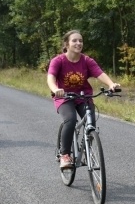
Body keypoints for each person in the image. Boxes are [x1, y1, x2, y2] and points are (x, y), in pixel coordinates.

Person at [47, 30, 120, 169]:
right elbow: (51, 78)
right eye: (74, 40)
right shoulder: (58, 61)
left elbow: (99, 73)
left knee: (90, 122)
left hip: (83, 96)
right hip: (64, 97)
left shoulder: (86, 61)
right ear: (66, 44)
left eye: (80, 40)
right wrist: (56, 90)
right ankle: (65, 155)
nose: (78, 43)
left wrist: (111, 84)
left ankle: (87, 150)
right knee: (70, 120)